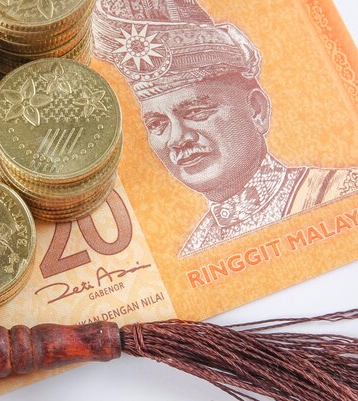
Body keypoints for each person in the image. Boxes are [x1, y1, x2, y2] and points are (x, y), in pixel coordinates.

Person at [93, 0, 358, 257]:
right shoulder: (196, 248)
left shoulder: (343, 191)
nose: (178, 138)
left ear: (257, 110)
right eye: (157, 124)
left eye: (196, 111)